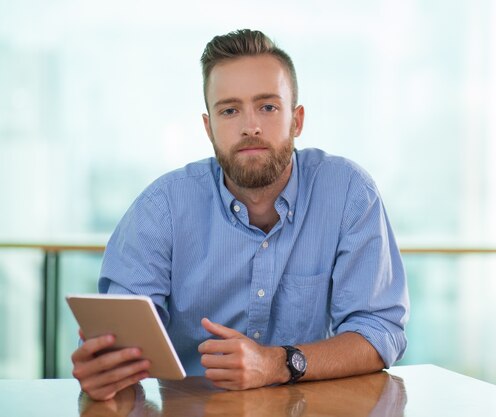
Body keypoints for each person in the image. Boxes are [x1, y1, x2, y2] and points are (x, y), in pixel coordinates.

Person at [71, 29, 409, 401]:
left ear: (296, 121)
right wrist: (105, 369)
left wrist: (276, 363)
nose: (251, 126)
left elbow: (379, 331)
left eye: (268, 107)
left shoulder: (348, 193)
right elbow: (124, 339)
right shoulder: (161, 208)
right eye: (230, 110)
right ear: (208, 127)